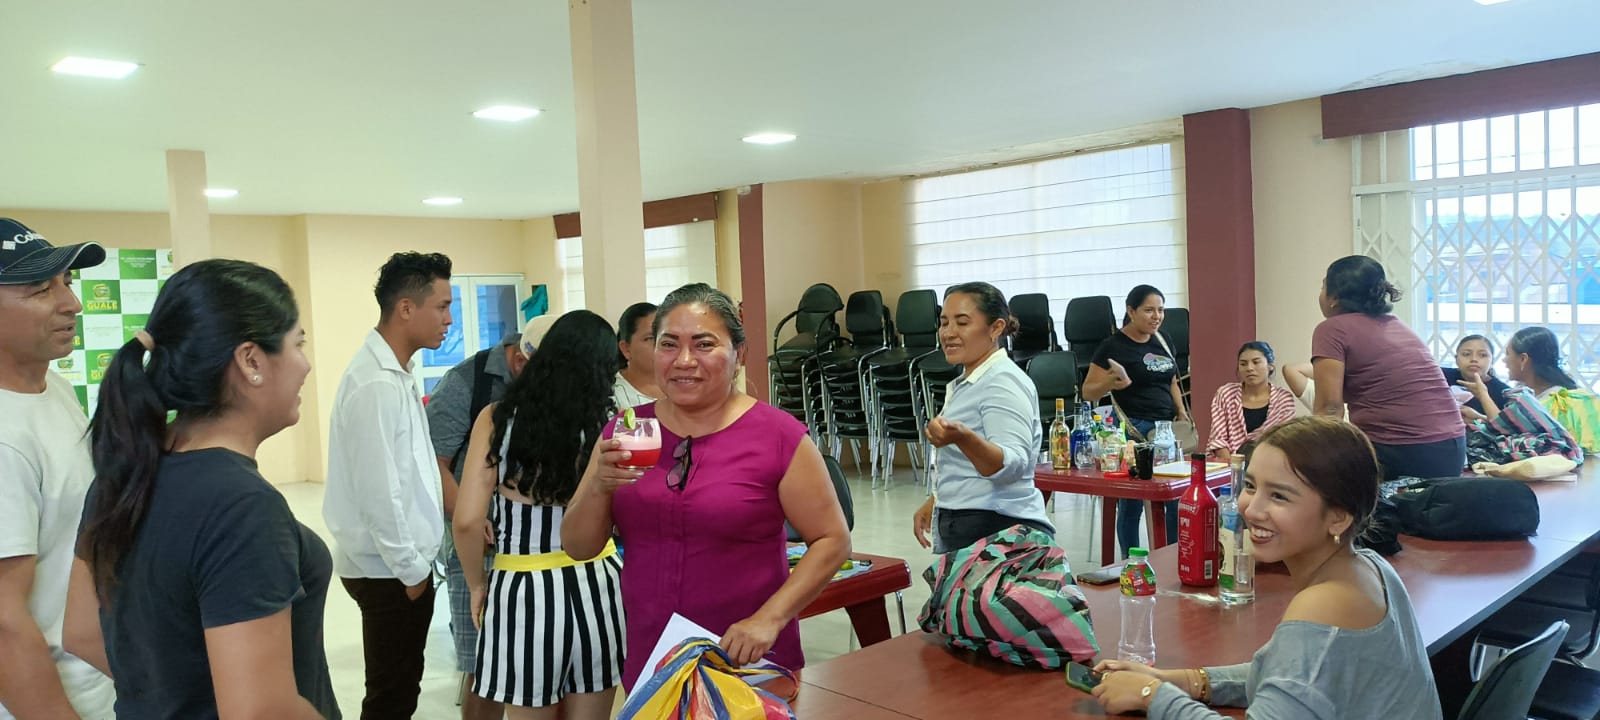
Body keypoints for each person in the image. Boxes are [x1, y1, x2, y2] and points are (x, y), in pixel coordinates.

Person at [65, 260, 338, 718]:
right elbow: (260, 712)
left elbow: (81, 631)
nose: (306, 365)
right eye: (298, 343)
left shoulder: (125, 477)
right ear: (251, 361)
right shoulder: (242, 506)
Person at [561, 282, 851, 690]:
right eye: (668, 344)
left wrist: (769, 619)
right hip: (654, 655)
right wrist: (598, 486)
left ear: (739, 354)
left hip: (746, 658)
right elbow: (578, 546)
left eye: (704, 344)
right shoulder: (628, 430)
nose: (684, 361)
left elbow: (833, 540)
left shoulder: (777, 435)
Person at [1090, 417, 1442, 720]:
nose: (1252, 509)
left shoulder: (1324, 604)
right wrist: (1178, 680)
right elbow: (1285, 675)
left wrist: (1152, 695)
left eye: (1279, 496)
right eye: (1251, 486)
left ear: (1338, 517)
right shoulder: (1370, 567)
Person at [453, 310, 625, 719]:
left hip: (523, 591)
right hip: (599, 586)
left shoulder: (497, 419)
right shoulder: (609, 424)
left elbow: (467, 521)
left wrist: (477, 585)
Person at [323, 251, 453, 719]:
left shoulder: (395, 373)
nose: (449, 320)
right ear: (406, 309)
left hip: (398, 568)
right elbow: (378, 493)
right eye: (442, 307)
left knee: (399, 691)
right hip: (389, 572)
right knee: (390, 698)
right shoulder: (374, 383)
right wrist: (412, 572)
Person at [0, 219, 115, 719]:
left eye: (66, 282)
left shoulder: (56, 389)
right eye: (41, 290)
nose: (72, 303)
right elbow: (4, 624)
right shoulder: (5, 437)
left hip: (96, 685)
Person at [427, 328, 532, 720]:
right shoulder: (466, 383)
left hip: (531, 550)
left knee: (528, 664)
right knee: (482, 667)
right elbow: (433, 464)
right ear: (520, 360)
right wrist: (471, 518)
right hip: (476, 545)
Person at [910, 282, 1054, 553]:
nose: (948, 333)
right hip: (971, 520)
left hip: (998, 528)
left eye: (962, 322)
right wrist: (938, 499)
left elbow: (1013, 463)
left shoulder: (1002, 382)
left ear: (996, 328)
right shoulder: (973, 380)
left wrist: (963, 438)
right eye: (944, 323)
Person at [1310, 256, 1464, 480]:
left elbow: (1329, 410)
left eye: (1323, 286)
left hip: (1404, 450)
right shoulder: (1395, 324)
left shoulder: (1331, 329)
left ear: (1333, 298)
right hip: (1452, 447)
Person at [1082, 285, 1187, 557]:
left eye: (1161, 310)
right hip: (1134, 431)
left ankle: (1171, 558)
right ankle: (1131, 563)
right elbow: (1088, 391)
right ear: (1131, 311)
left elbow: (1172, 381)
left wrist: (1182, 411)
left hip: (1166, 430)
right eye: (1149, 310)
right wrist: (1110, 381)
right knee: (1132, 504)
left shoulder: (1163, 339)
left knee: (1173, 497)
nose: (1157, 316)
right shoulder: (1112, 346)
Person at [1498, 326, 1600, 453]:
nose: (1504, 360)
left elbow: (1509, 433)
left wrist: (1483, 394)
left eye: (1508, 354)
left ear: (1523, 359)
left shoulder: (1558, 404)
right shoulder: (1524, 393)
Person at [1207, 342, 1296, 457]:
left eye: (1256, 362)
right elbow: (1218, 440)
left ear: (1270, 365)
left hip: (1269, 462)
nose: (1249, 368)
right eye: (1243, 364)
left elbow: (1285, 443)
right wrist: (1233, 466)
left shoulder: (1283, 399)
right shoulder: (1225, 394)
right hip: (1228, 462)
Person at [1442, 334, 1511, 422]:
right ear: (1456, 359)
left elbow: (1507, 427)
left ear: (1492, 361)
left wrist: (1479, 418)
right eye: (1466, 354)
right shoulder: (1441, 376)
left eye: (1482, 355)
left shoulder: (1504, 393)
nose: (1474, 359)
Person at [613, 301, 661, 411]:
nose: (661, 344)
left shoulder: (683, 386)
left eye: (665, 337)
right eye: (650, 338)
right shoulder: (610, 396)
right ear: (626, 348)